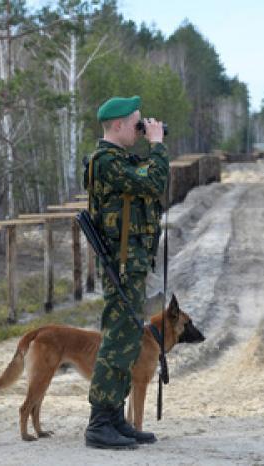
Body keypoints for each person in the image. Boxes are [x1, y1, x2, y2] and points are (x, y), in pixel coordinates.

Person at [83, 95, 168, 449]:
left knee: (128, 339)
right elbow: (153, 182)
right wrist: (158, 146)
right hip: (122, 263)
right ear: (117, 125)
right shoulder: (106, 162)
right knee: (117, 340)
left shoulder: (121, 161)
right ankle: (99, 422)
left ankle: (115, 417)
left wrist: (151, 148)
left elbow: (145, 181)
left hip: (130, 262)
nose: (141, 129)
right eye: (136, 123)